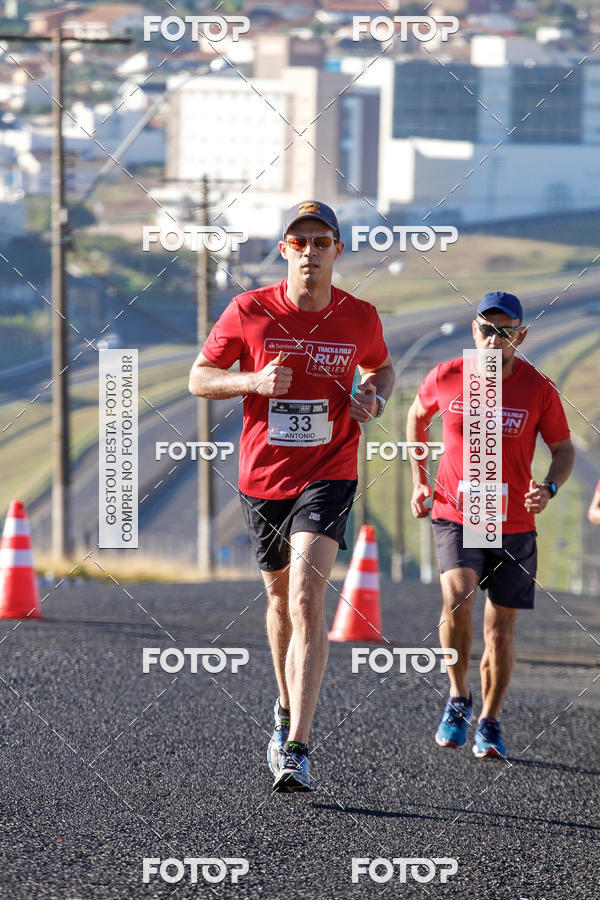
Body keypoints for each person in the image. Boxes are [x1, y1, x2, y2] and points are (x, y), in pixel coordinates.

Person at [188, 200, 394, 791]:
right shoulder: (249, 310)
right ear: (284, 250)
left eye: (321, 242)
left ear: (337, 251)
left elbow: (381, 369)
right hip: (264, 476)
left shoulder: (359, 317)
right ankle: (283, 708)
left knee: (306, 597)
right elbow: (199, 377)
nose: (310, 253)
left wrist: (374, 398)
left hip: (330, 469)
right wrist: (252, 380)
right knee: (279, 601)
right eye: (299, 242)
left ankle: (298, 746)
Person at [407, 291, 575, 759]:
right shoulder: (447, 376)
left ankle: (490, 720)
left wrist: (550, 487)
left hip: (513, 520)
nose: (494, 340)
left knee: (499, 629)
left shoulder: (538, 388)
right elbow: (416, 417)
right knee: (457, 595)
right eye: (486, 329)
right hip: (457, 512)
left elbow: (564, 450)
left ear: (520, 337)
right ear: (473, 331)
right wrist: (419, 480)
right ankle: (458, 696)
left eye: (505, 332)